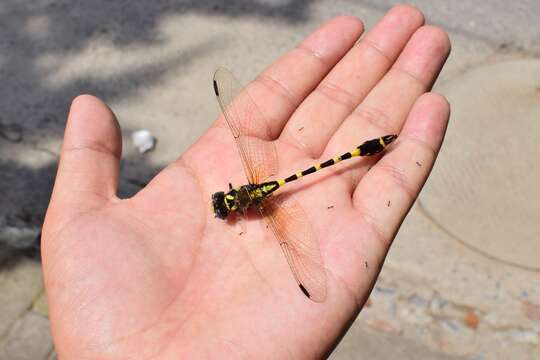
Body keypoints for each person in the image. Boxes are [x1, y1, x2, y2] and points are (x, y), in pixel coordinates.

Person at [42, 5, 450, 359]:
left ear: (238, 203)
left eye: (225, 202)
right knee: (322, 166)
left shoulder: (261, 208)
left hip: (334, 158)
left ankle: (372, 146)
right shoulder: (254, 199)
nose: (225, 204)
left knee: (331, 162)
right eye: (226, 202)